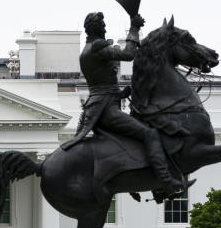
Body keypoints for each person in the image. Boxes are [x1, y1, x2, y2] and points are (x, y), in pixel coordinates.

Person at [62, 11, 185, 202]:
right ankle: (166, 182)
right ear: (98, 29)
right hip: (106, 111)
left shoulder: (87, 50)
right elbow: (128, 54)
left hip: (102, 105)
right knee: (149, 134)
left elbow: (100, 86)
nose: (105, 29)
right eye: (103, 26)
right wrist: (134, 28)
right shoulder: (96, 48)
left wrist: (120, 94)